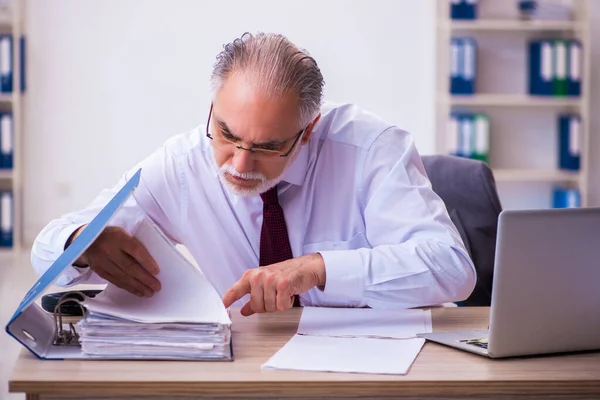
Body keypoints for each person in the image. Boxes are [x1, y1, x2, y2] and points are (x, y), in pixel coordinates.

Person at [31, 32, 476, 316]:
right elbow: (48, 249)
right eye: (227, 134)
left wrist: (320, 269)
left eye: (267, 147)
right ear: (212, 109)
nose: (240, 165)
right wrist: (82, 244)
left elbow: (452, 268)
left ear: (309, 130)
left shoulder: (370, 150)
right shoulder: (183, 164)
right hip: (251, 366)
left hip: (373, 370)